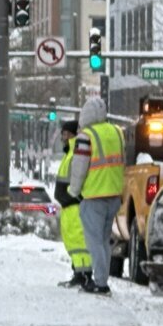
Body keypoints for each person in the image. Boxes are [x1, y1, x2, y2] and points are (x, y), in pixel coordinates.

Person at [67, 96, 125, 295]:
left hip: (93, 196)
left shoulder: (86, 136)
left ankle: (100, 283)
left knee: (94, 241)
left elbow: (79, 168)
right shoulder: (117, 132)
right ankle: (103, 278)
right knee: (104, 240)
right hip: (114, 195)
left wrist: (74, 191)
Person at [52, 119, 93, 288]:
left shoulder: (76, 152)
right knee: (72, 242)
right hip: (68, 206)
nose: (63, 137)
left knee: (80, 242)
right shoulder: (69, 153)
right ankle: (78, 272)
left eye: (66, 133)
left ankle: (85, 275)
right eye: (62, 133)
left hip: (75, 205)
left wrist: (73, 196)